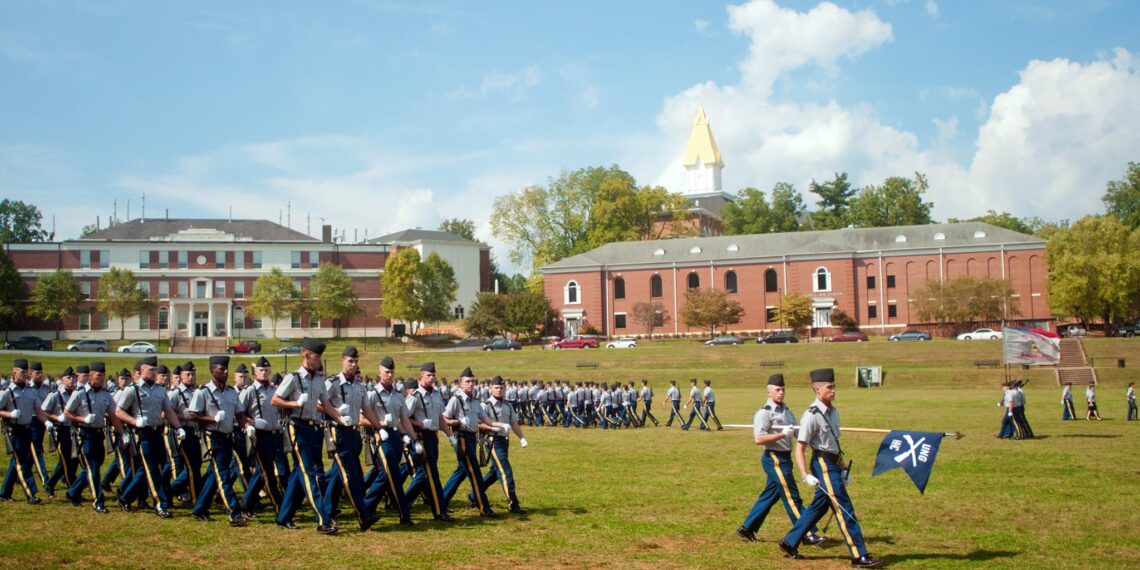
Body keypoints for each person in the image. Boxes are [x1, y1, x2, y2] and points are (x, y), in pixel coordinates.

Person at [777, 369, 882, 568]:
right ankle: (859, 555)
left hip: (832, 462)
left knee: (820, 505)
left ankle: (789, 542)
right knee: (843, 506)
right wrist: (804, 475)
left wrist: (842, 468)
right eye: (829, 387)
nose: (833, 391)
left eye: (834, 386)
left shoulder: (833, 412)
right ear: (817, 390)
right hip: (822, 463)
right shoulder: (811, 416)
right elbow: (800, 447)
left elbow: (834, 443)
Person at [738, 374, 825, 546]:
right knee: (792, 497)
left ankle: (747, 528)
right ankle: (806, 533)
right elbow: (759, 439)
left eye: (783, 389)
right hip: (774, 458)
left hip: (786, 458)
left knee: (770, 495)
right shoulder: (764, 413)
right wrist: (782, 434)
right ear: (769, 392)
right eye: (777, 390)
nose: (781, 392)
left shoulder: (787, 411)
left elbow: (799, 433)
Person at [273, 338, 338, 534]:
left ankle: (284, 517)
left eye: (320, 357)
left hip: (314, 428)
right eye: (316, 356)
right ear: (306, 354)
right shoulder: (293, 378)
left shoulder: (318, 379)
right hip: (297, 427)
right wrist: (294, 404)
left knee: (298, 475)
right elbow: (275, 400)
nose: (318, 360)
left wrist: (340, 418)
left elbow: (326, 404)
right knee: (311, 473)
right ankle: (323, 519)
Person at [115, 355, 185, 518]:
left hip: (157, 431)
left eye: (155, 369)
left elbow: (168, 410)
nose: (154, 372)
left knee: (151, 467)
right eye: (150, 369)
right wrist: (134, 421)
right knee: (152, 468)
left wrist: (179, 427)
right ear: (141, 371)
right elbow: (118, 411)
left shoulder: (160, 390)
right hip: (142, 432)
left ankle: (126, 497)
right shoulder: (132, 390)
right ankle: (160, 504)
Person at [322, 345, 380, 532]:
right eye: (350, 361)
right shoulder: (333, 383)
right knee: (350, 475)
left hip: (355, 433)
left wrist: (379, 427)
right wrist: (336, 413)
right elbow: (318, 404)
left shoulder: (359, 385)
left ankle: (327, 513)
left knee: (338, 477)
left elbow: (367, 409)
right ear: (342, 361)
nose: (353, 365)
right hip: (339, 432)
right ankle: (364, 515)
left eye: (356, 362)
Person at [189, 355, 249, 527]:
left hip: (228, 436)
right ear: (212, 371)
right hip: (213, 437)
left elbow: (239, 413)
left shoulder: (231, 392)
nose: (225, 372)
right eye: (221, 369)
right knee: (223, 475)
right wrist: (212, 419)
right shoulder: (203, 392)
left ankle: (199, 508)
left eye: (226, 369)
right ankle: (234, 514)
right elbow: (192, 414)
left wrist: (247, 426)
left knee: (213, 476)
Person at [362, 355, 416, 526]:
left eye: (392, 372)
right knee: (392, 473)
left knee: (387, 475)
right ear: (379, 372)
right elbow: (361, 418)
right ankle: (404, 514)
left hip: (394, 436)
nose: (389, 374)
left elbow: (403, 418)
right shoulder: (372, 394)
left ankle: (365, 509)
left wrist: (410, 436)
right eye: (386, 371)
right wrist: (379, 425)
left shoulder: (398, 395)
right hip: (381, 436)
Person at [63, 361, 124, 513]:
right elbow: (67, 412)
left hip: (98, 434)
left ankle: (72, 492)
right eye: (98, 375)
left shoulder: (106, 394)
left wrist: (123, 432)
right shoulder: (80, 393)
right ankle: (98, 501)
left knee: (97, 463)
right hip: (84, 433)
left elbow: (113, 415)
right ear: (91, 376)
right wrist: (83, 419)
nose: (102, 378)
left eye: (103, 375)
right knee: (94, 468)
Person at [440, 367, 496, 518]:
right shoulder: (455, 399)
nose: (471, 384)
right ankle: (484, 507)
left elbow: (484, 418)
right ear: (460, 384)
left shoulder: (476, 401)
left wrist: (499, 425)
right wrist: (457, 422)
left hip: (472, 437)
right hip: (462, 438)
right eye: (467, 382)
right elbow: (444, 419)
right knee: (474, 472)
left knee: (461, 471)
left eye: (472, 381)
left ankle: (441, 502)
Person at [403, 361, 453, 521]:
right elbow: (404, 418)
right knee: (432, 475)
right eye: (428, 375)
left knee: (423, 476)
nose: (431, 378)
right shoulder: (415, 396)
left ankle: (402, 503)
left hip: (433, 438)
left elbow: (440, 417)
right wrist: (420, 424)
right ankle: (440, 511)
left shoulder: (436, 394)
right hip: (421, 438)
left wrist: (450, 435)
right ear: (421, 376)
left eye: (433, 375)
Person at [472, 375, 529, 514]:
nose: (499, 390)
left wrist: (521, 437)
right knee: (505, 471)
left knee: (494, 472)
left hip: (504, 441)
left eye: (502, 388)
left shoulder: (507, 405)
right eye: (496, 388)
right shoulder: (485, 405)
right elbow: (478, 423)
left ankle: (474, 495)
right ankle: (513, 503)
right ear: (490, 388)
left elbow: (514, 423)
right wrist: (492, 428)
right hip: (492, 441)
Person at [239, 356, 287, 517]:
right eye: (261, 370)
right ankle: (280, 508)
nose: (264, 373)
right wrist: (252, 422)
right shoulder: (250, 391)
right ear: (255, 372)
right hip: (260, 435)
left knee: (261, 473)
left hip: (276, 434)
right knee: (267, 473)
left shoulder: (275, 390)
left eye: (266, 370)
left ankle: (246, 503)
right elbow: (238, 414)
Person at [0, 358, 45, 503]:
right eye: (22, 372)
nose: (25, 374)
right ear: (14, 372)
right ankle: (31, 494)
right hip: (14, 430)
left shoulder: (30, 391)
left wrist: (47, 422)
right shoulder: (7, 392)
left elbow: (38, 409)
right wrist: (9, 414)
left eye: (26, 372)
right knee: (22, 463)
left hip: (27, 429)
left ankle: (4, 493)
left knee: (18, 461)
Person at [41, 367, 80, 498]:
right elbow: (44, 411)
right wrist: (56, 418)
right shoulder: (55, 395)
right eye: (68, 378)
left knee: (73, 460)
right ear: (62, 380)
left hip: (74, 430)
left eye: (73, 378)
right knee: (65, 461)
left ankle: (50, 484)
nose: (71, 380)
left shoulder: (78, 393)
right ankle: (73, 490)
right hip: (61, 429)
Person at [168, 362, 202, 504]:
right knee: (190, 466)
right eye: (187, 374)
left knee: (197, 464)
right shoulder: (176, 393)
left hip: (194, 431)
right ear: (181, 376)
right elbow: (166, 414)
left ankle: (171, 490)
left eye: (193, 374)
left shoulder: (198, 392)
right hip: (181, 431)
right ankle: (195, 497)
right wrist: (183, 416)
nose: (190, 377)